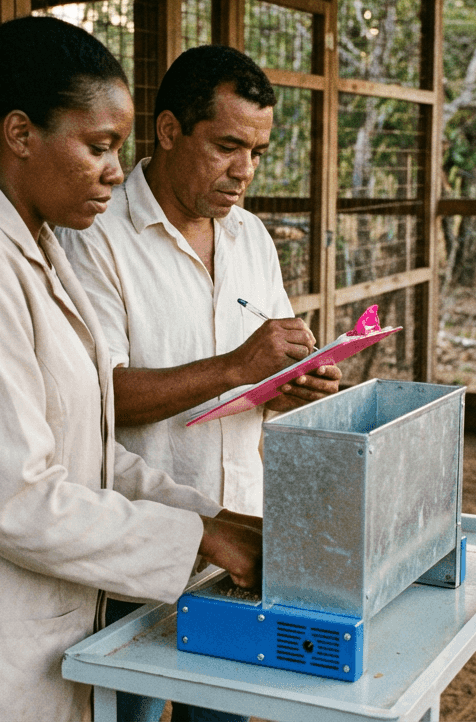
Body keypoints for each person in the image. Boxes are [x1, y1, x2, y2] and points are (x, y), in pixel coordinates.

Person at [0, 17, 261, 722]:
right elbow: (19, 502)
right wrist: (197, 537)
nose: (112, 171)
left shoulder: (36, 253)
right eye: (98, 146)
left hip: (24, 639)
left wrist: (213, 517)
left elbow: (87, 455)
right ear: (20, 134)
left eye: (117, 150)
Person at [58, 45, 341, 722]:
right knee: (128, 711)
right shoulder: (97, 236)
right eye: (226, 146)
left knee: (220, 713)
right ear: (167, 131)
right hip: (139, 534)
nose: (244, 171)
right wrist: (237, 367)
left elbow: (260, 370)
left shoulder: (251, 238)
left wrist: (293, 381)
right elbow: (94, 401)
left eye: (258, 152)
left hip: (238, 533)